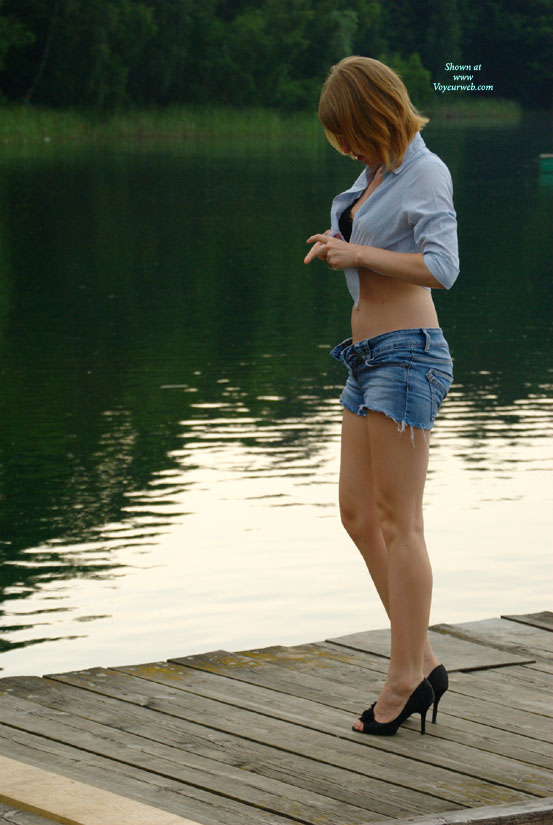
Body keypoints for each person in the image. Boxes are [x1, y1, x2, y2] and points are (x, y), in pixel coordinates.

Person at [304, 56, 459, 736]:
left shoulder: (425, 170)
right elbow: (375, 249)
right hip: (366, 357)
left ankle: (403, 677)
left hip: (407, 356)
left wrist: (358, 255)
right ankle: (420, 658)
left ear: (373, 115)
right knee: (357, 514)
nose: (343, 145)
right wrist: (340, 243)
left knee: (400, 521)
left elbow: (441, 267)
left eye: (348, 131)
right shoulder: (374, 176)